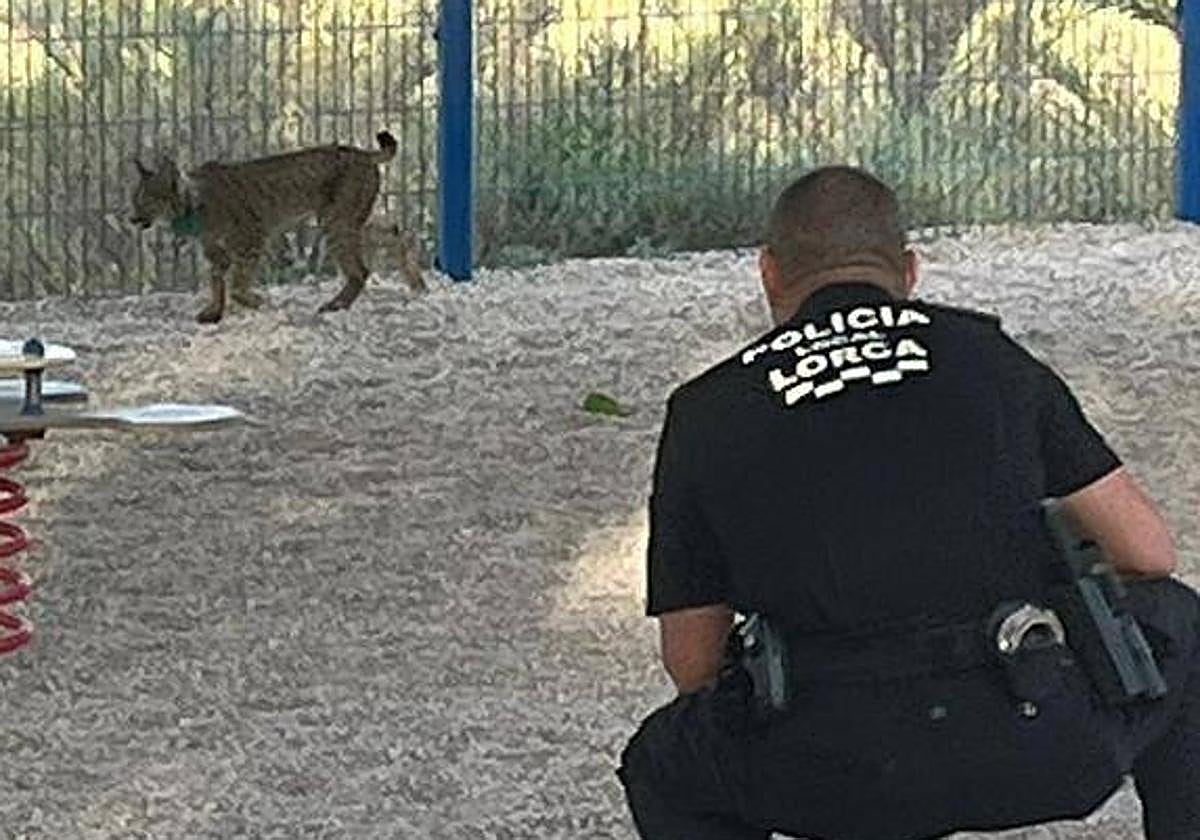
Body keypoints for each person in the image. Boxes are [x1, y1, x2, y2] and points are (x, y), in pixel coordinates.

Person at [615, 166, 1200, 840]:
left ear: (770, 274)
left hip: (824, 771)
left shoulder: (707, 412)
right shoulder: (991, 360)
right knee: (1180, 622)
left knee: (664, 765)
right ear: (911, 272)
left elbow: (692, 666)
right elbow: (1150, 552)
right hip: (1033, 740)